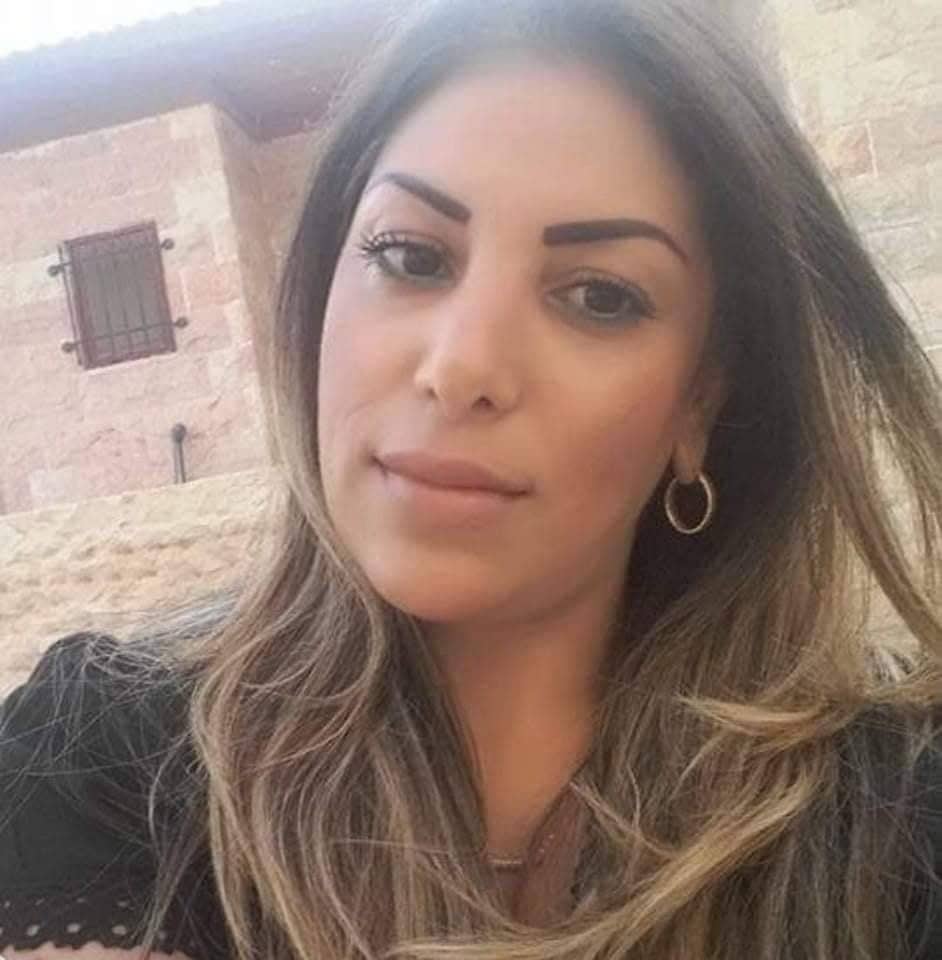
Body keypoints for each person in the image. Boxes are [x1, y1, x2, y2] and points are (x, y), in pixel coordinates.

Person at [2, 0, 942, 957]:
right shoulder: (98, 761)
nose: (461, 367)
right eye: (410, 256)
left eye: (599, 296)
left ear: (698, 400)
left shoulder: (893, 826)